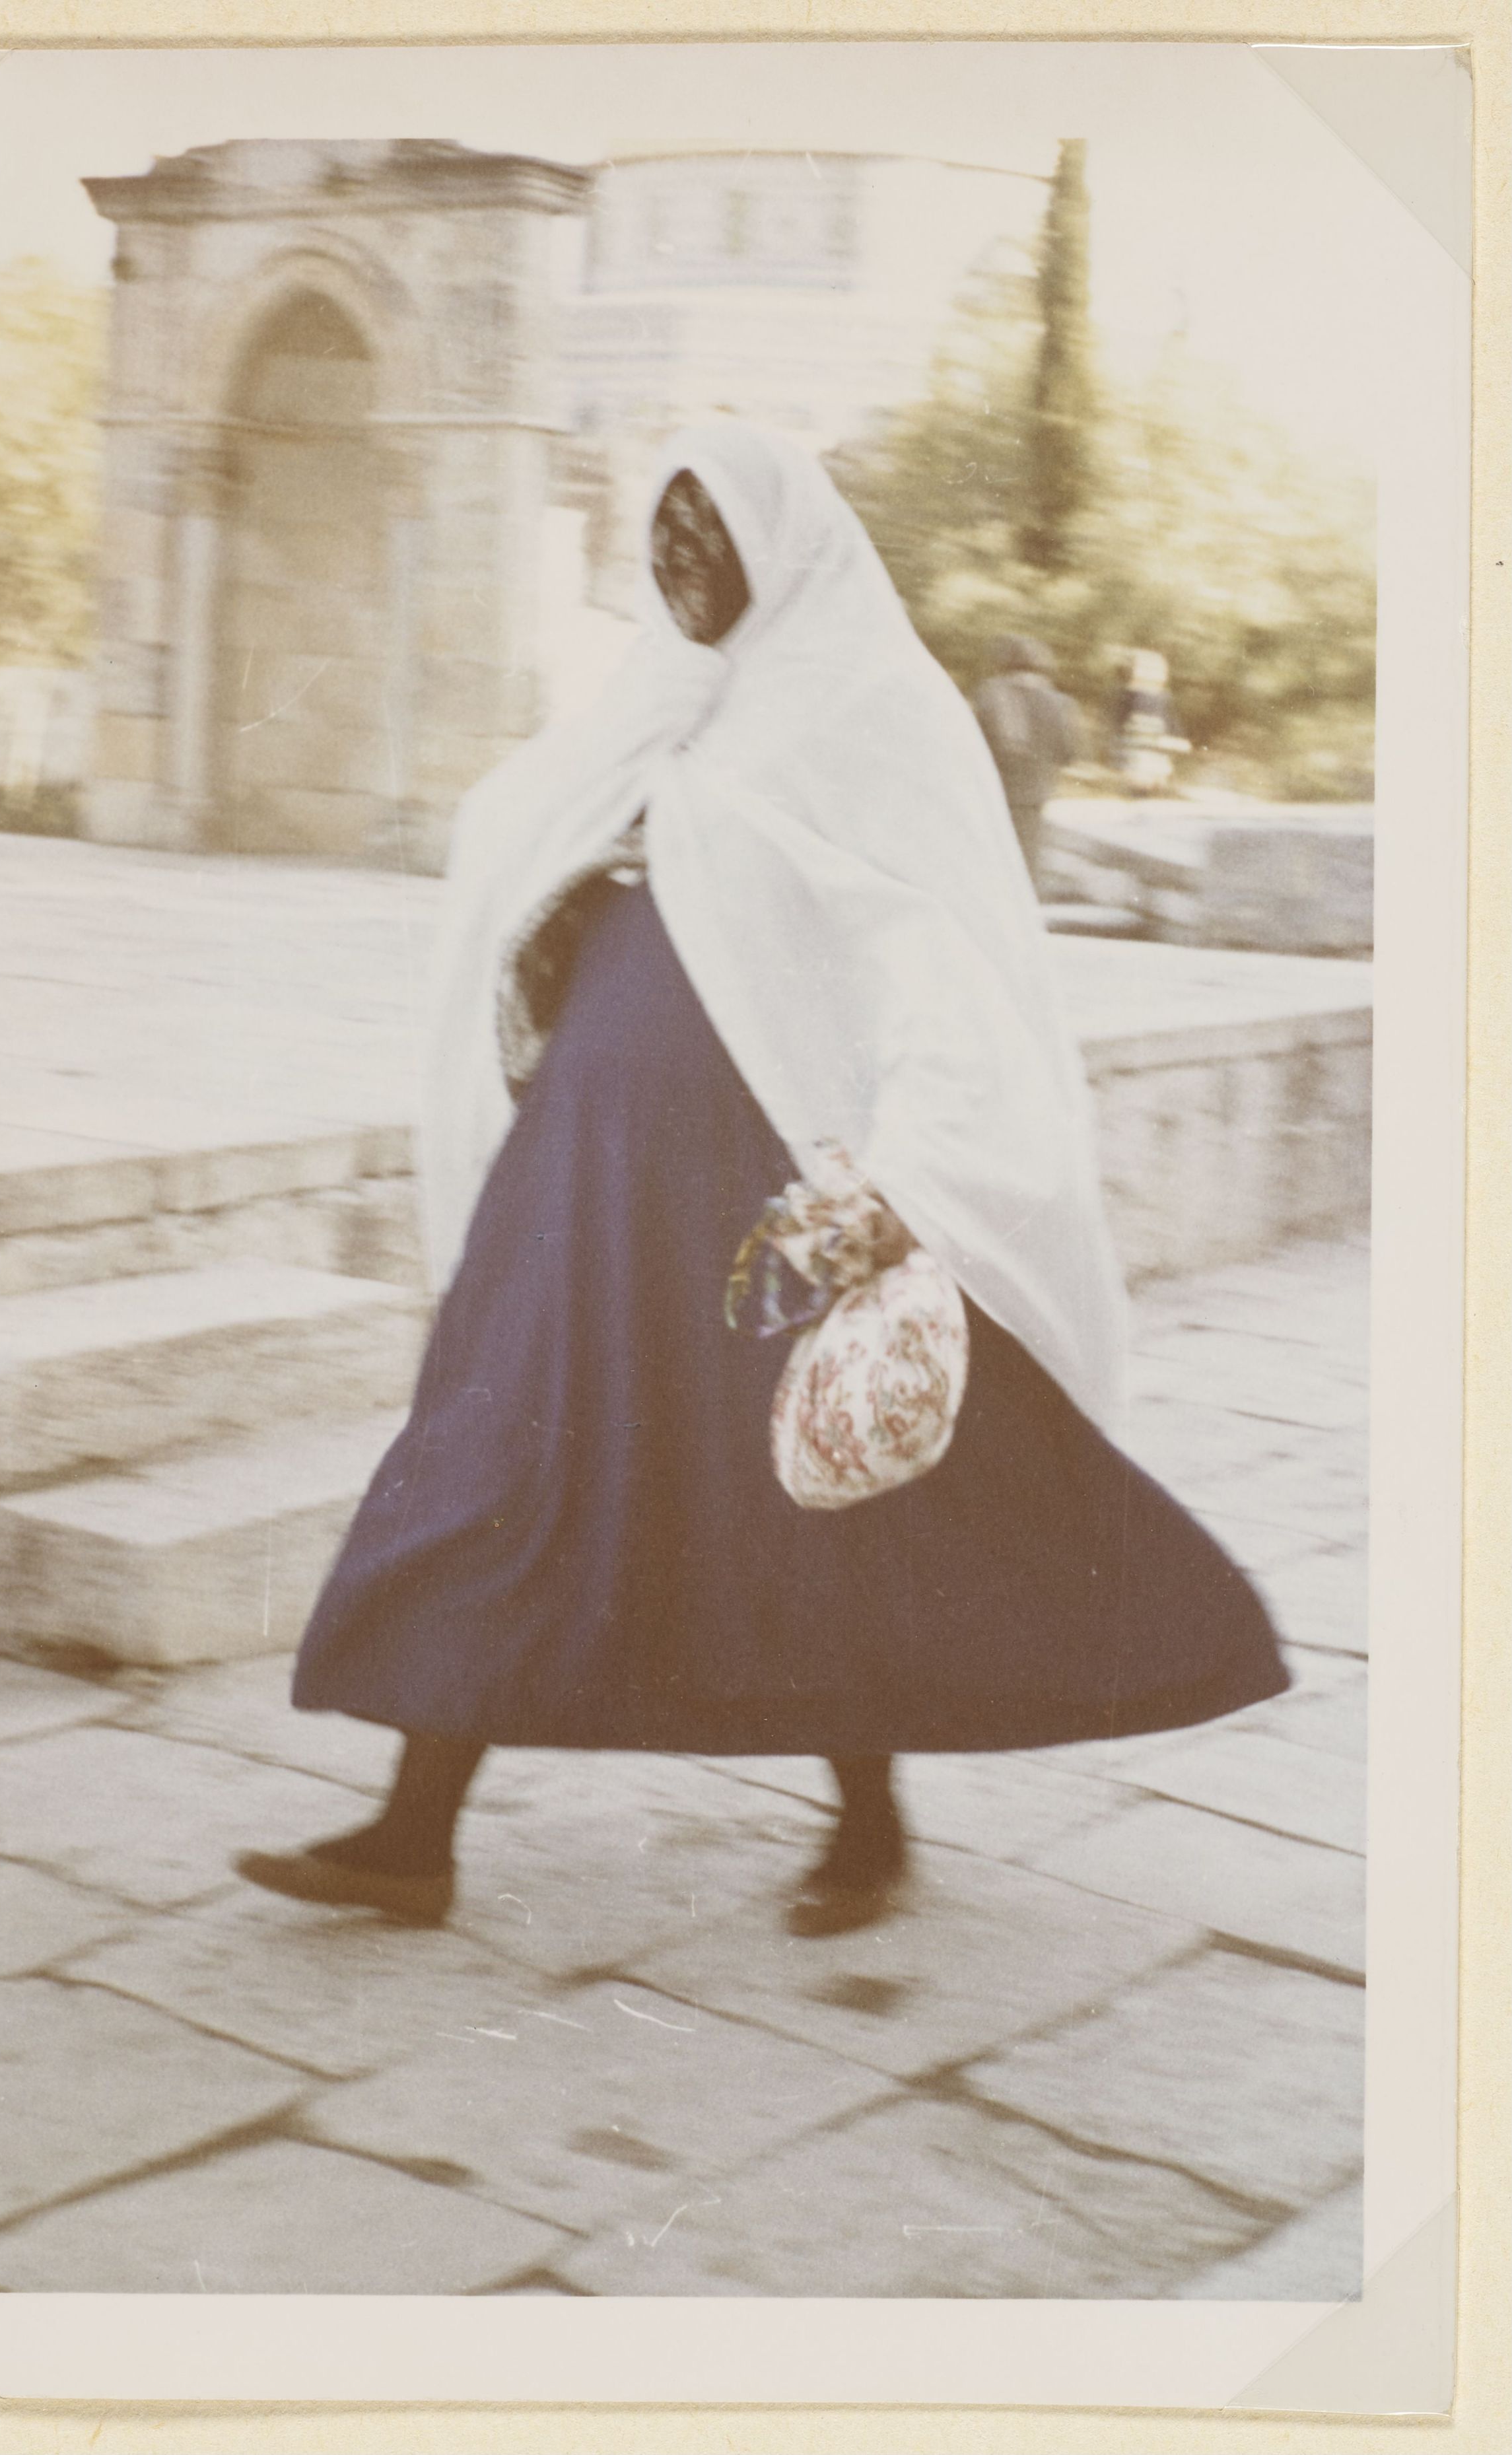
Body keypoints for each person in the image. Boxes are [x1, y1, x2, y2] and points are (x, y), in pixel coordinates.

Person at [236, 423, 1286, 1940]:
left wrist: (905, 1180)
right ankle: (414, 1835)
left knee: (819, 1486)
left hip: (764, 1177)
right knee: (494, 1447)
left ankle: (868, 1821)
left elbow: (938, 968)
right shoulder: (650, 707)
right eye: (662, 536)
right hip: (581, 1172)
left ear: (780, 547)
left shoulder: (873, 714)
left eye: (708, 535)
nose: (680, 565)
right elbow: (524, 854)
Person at [971, 634, 1082, 887]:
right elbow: (1069, 753)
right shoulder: (1060, 702)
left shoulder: (988, 694)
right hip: (1036, 794)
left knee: (991, 860)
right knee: (1025, 864)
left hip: (993, 791)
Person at [1109, 648, 1190, 796]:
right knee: (1138, 780)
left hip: (1157, 748)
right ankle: (1137, 792)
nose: (1150, 674)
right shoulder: (1128, 696)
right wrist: (1119, 748)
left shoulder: (1164, 698)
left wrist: (1177, 738)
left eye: (1156, 670)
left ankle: (1152, 790)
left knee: (1156, 780)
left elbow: (1172, 722)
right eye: (1145, 669)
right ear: (1135, 671)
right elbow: (1118, 723)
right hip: (1135, 747)